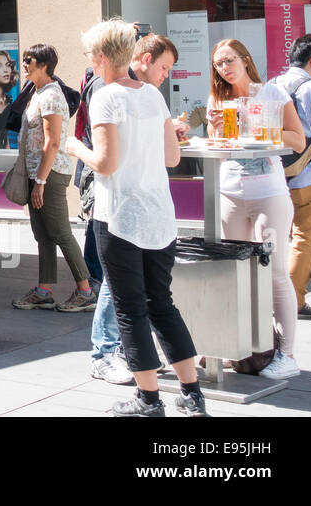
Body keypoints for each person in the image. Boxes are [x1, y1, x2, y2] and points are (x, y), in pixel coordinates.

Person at [64, 19, 206, 416]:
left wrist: (76, 148)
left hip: (121, 216)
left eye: (92, 54)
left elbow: (106, 164)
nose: (90, 61)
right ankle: (192, 394)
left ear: (103, 56)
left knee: (130, 308)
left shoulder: (105, 97)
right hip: (159, 214)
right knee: (163, 303)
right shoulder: (152, 96)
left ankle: (148, 399)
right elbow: (173, 158)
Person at [206, 38, 306, 379]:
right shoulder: (218, 101)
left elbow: (299, 139)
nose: (225, 67)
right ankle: (232, 345)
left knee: (275, 272)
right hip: (230, 192)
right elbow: (219, 155)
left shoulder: (272, 94)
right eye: (219, 63)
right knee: (230, 273)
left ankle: (287, 355)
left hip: (269, 194)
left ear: (245, 59)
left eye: (230, 60)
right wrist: (216, 133)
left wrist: (264, 128)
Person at [89, 33, 183, 384]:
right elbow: (106, 158)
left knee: (136, 293)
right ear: (142, 57)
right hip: (118, 205)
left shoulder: (149, 97)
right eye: (163, 67)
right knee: (130, 291)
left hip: (138, 207)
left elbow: (164, 155)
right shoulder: (106, 91)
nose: (165, 75)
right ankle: (107, 351)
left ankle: (134, 358)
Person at [11, 44, 96, 312]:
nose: (24, 64)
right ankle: (43, 290)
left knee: (60, 232)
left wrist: (41, 181)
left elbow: (53, 142)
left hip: (50, 175)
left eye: (30, 61)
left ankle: (86, 291)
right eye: (24, 60)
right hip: (38, 174)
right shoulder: (37, 93)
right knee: (43, 235)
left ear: (44, 66)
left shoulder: (50, 95)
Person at [270, 34, 311, 318]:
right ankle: (294, 300)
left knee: (305, 232)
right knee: (305, 237)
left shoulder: (273, 84)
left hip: (279, 171)